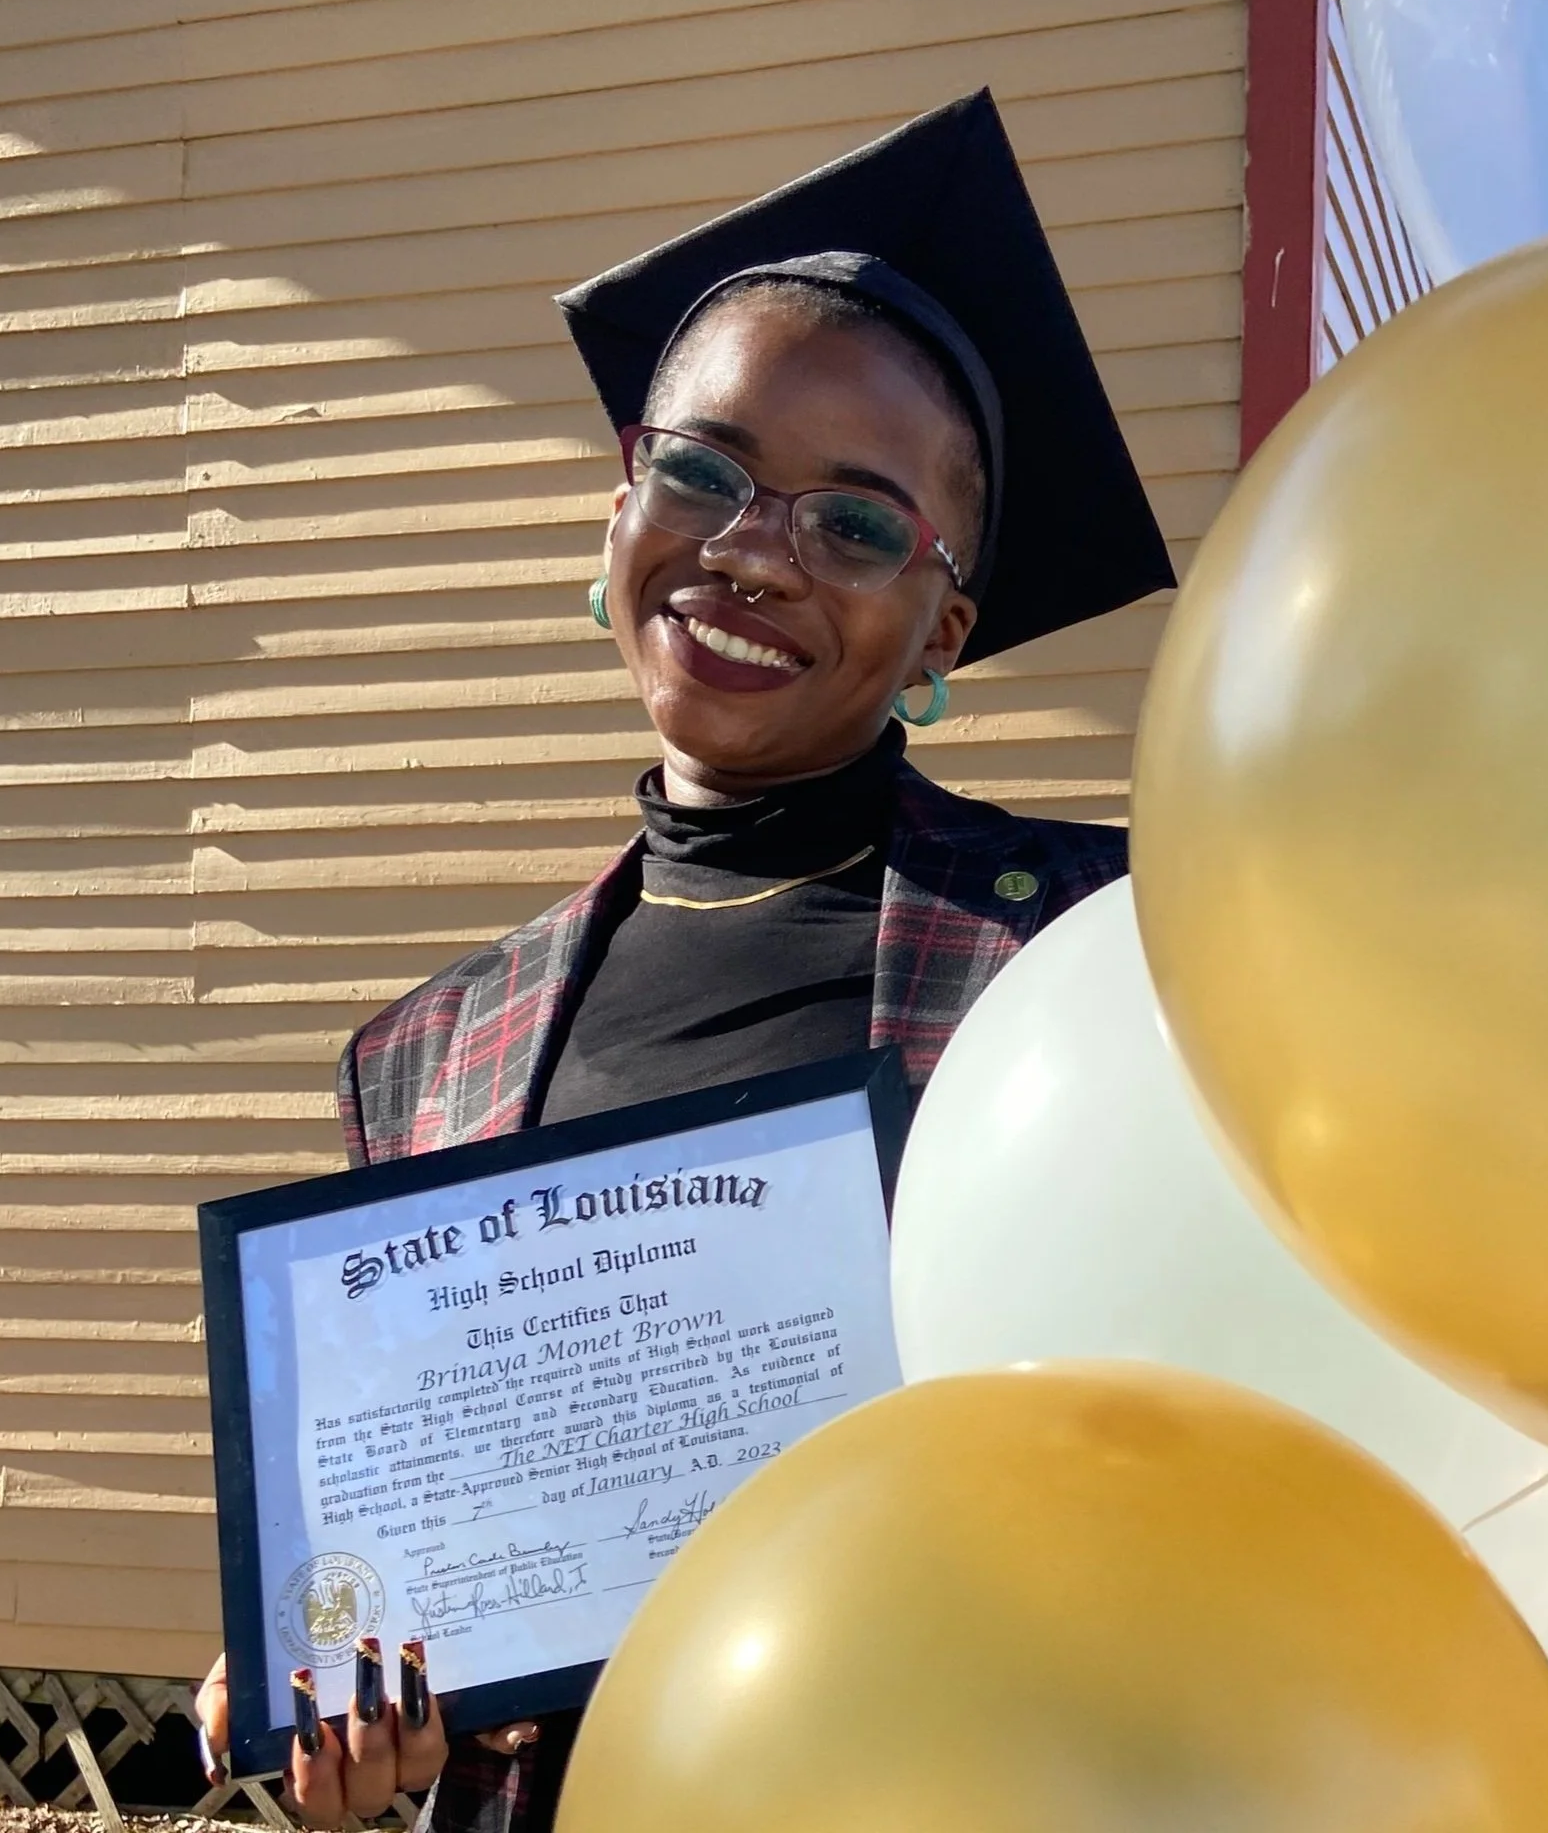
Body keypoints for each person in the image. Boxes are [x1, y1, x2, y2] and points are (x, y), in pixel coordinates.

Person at [195, 88, 1174, 1832]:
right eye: (704, 470)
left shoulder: (1102, 952)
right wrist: (355, 1687)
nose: (747, 549)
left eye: (856, 523)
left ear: (946, 624)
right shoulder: (428, 1052)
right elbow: (445, 1562)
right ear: (622, 499)